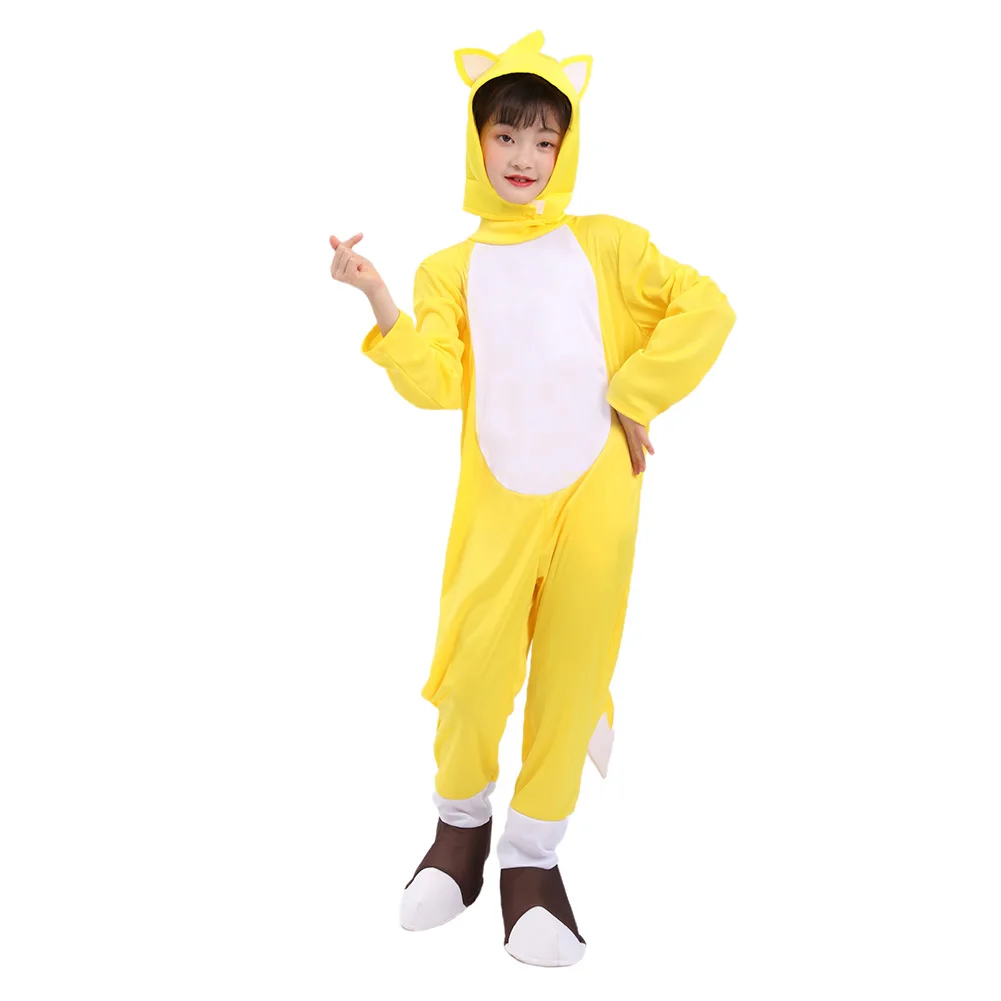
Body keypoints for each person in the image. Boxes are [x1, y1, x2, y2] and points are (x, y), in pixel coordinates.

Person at [329, 29, 736, 967]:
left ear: (566, 148)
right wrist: (378, 298)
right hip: (498, 509)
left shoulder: (608, 244)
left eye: (544, 140)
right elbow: (437, 380)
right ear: (475, 142)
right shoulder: (447, 270)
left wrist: (635, 392)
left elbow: (707, 305)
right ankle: (458, 828)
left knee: (569, 673)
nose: (523, 156)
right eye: (505, 135)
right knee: (475, 670)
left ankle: (532, 858)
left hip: (597, 499)